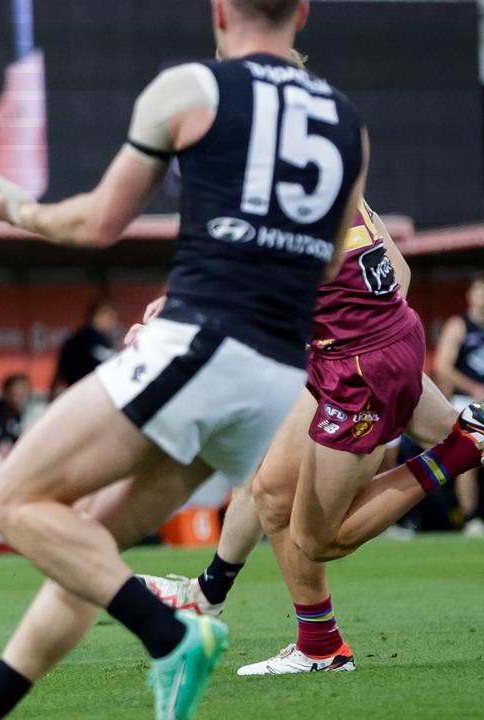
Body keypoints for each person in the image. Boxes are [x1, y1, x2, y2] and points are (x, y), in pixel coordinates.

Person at [0, 2, 368, 718]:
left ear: (220, 11)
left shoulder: (191, 88)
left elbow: (99, 221)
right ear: (303, 12)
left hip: (204, 345)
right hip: (275, 375)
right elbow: (326, 267)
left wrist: (22, 209)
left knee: (11, 499)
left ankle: (172, 635)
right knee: (88, 546)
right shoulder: (347, 120)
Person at [138, 198, 484, 674]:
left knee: (320, 539)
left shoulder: (266, 199)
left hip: (358, 369)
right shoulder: (329, 179)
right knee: (271, 493)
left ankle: (459, 450)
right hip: (359, 351)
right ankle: (306, 639)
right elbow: (395, 270)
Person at [434, 275, 484, 536]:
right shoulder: (459, 325)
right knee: (469, 459)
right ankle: (470, 517)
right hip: (466, 400)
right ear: (470, 295)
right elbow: (443, 366)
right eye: (479, 290)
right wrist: (473, 388)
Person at [50, 297, 118, 398]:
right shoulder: (98, 341)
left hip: (74, 398)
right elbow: (113, 371)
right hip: (95, 398)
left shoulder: (72, 340)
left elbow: (57, 379)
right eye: (111, 317)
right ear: (98, 315)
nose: (113, 322)